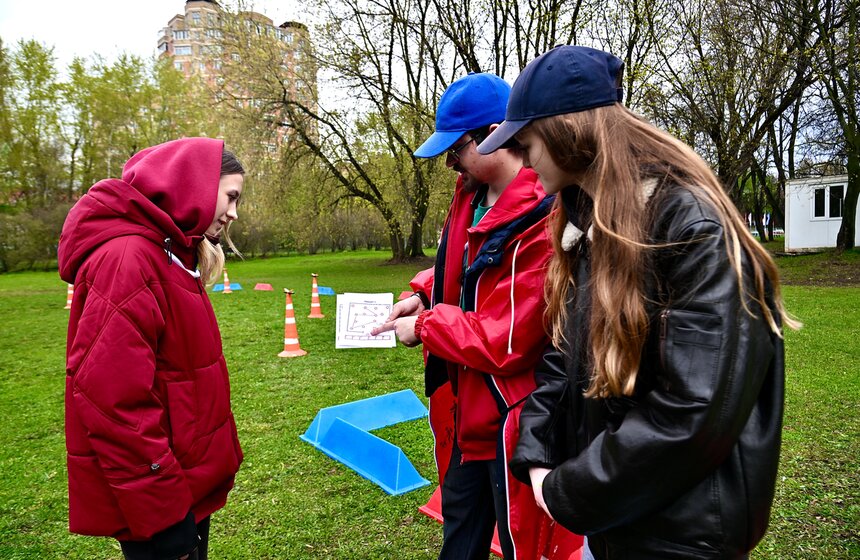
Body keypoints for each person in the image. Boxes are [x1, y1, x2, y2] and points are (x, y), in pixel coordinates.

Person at [477, 45, 798, 559]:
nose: (525, 158)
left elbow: (693, 413)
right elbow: (565, 356)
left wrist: (568, 492)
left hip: (682, 538)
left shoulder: (691, 228)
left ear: (567, 132)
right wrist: (537, 452)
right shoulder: (589, 225)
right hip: (616, 523)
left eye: (527, 142)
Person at [372, 73, 577, 559]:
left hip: (514, 424)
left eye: (456, 149)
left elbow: (507, 338)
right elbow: (464, 267)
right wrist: (423, 294)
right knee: (459, 541)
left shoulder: (543, 215)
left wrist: (425, 327)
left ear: (493, 136)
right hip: (467, 416)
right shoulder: (470, 193)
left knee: (522, 545)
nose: (449, 163)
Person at [58, 137, 245, 560]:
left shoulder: (172, 255)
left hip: (182, 486)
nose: (234, 213)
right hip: (159, 504)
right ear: (194, 185)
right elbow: (114, 404)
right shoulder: (128, 259)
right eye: (231, 196)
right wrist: (166, 517)